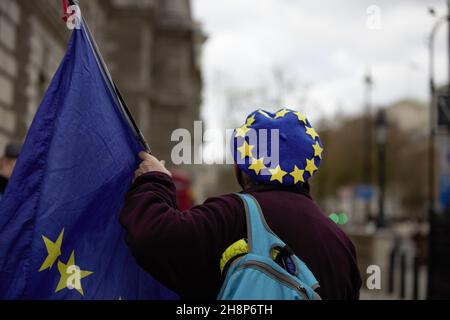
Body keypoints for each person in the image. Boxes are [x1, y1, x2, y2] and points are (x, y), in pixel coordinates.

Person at [120, 109, 362, 300]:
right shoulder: (341, 244)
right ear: (307, 171)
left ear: (242, 168)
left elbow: (152, 234)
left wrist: (154, 179)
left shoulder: (232, 215)